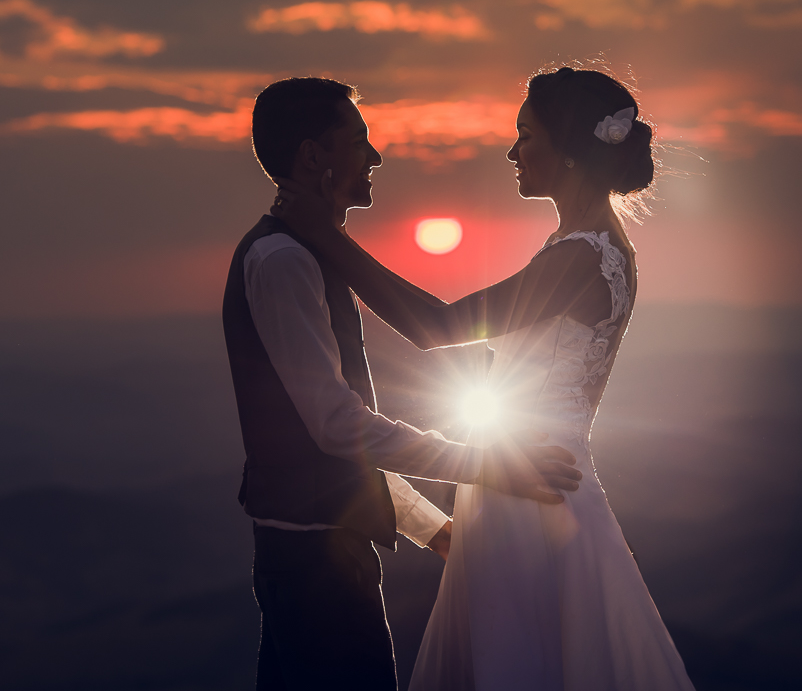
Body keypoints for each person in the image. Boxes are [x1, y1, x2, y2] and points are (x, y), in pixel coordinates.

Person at [272, 66, 697, 690]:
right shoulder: (593, 247)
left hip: (527, 491)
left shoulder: (583, 257)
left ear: (570, 152)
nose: (512, 150)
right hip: (522, 478)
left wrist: (325, 240)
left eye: (525, 135)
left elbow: (438, 327)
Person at [222, 76, 583, 691]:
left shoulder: (304, 256)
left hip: (320, 555)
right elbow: (339, 426)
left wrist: (430, 528)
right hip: (316, 569)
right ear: (314, 156)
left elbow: (341, 431)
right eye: (359, 139)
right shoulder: (283, 262)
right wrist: (487, 464)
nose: (376, 156)